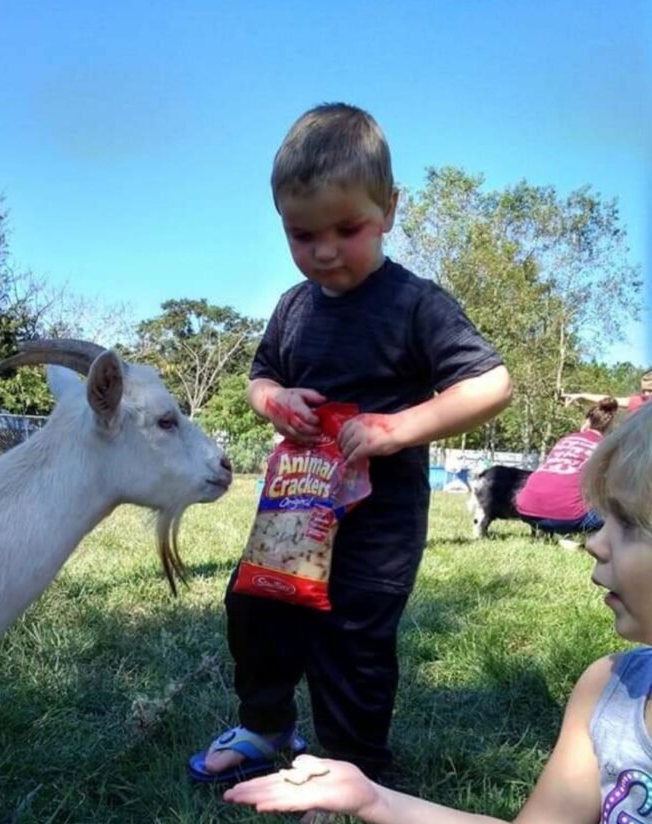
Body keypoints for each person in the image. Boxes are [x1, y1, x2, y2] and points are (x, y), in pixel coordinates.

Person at [224, 402, 652, 824]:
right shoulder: (609, 690)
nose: (594, 540)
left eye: (631, 524)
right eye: (602, 517)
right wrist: (370, 797)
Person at [188, 102, 512, 786]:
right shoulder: (293, 308)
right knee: (255, 612)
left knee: (351, 639)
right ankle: (266, 725)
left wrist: (398, 427)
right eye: (302, 234)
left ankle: (353, 766)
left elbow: (490, 384)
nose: (324, 250)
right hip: (294, 510)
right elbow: (261, 376)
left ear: (389, 210)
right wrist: (272, 400)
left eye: (347, 228)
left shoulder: (415, 306)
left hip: (376, 524)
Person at [515, 397, 619, 536]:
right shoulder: (605, 447)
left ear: (587, 422)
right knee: (619, 511)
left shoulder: (565, 440)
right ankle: (595, 542)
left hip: (525, 509)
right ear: (613, 427)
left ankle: (551, 533)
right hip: (566, 519)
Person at [562, 368, 652, 413]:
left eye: (650, 391)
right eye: (644, 391)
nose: (646, 394)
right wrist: (581, 395)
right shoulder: (638, 402)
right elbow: (609, 399)